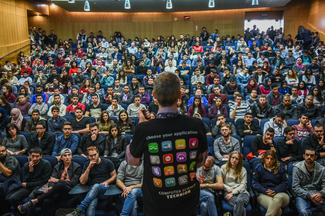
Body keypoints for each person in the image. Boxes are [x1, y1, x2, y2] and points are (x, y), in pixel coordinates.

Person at [125, 72, 208, 215]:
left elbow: (132, 161)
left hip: (156, 205)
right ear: (180, 95)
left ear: (154, 95)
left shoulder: (144, 129)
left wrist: (141, 128)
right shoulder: (197, 125)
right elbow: (201, 162)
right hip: (187, 202)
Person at [18, 148, 82, 216]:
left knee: (60, 184)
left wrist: (57, 180)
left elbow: (73, 183)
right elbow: (52, 179)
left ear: (71, 156)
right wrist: (50, 187)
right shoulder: (57, 166)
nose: (67, 157)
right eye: (65, 155)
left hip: (69, 191)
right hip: (55, 190)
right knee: (46, 201)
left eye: (69, 155)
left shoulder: (77, 167)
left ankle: (35, 201)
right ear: (62, 158)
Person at [66, 147, 117, 216]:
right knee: (91, 203)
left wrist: (107, 182)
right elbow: (82, 182)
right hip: (93, 191)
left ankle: (79, 209)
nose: (93, 157)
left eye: (95, 155)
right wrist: (89, 168)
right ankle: (78, 211)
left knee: (96, 186)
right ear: (88, 156)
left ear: (98, 153)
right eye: (91, 156)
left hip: (105, 189)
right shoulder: (87, 164)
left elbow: (114, 176)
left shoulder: (107, 162)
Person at [8, 147, 51, 215]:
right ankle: (23, 211)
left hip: (40, 186)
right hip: (29, 187)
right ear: (29, 155)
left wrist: (28, 184)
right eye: (33, 156)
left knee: (31, 197)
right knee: (12, 198)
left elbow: (45, 181)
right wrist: (31, 171)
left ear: (41, 156)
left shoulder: (46, 164)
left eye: (37, 156)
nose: (35, 158)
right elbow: (25, 180)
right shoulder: (26, 165)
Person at [252, 150, 290, 216]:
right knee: (277, 210)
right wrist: (265, 191)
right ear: (264, 158)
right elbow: (255, 183)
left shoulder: (280, 168)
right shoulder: (259, 168)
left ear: (275, 160)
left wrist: (275, 190)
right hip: (263, 194)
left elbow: (285, 183)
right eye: (267, 158)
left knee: (278, 198)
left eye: (271, 159)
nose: (269, 161)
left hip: (280, 194)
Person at [292, 148, 325, 216]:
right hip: (302, 195)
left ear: (315, 157)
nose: (309, 157)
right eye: (307, 155)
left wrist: (320, 194)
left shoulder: (322, 169)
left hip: (318, 194)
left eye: (312, 155)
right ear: (304, 156)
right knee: (304, 212)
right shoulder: (297, 167)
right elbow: (295, 187)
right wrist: (310, 196)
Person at [221, 151, 250, 216]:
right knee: (240, 205)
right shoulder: (223, 168)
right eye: (233, 157)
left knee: (240, 201)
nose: (234, 160)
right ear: (229, 158)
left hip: (242, 192)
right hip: (228, 192)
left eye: (237, 159)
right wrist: (229, 189)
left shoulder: (243, 170)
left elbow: (243, 184)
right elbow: (221, 183)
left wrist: (233, 192)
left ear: (239, 161)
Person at [0, 144, 21, 215]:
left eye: (3, 151)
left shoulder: (11, 159)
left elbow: (8, 173)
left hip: (12, 182)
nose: (1, 153)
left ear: (6, 151)